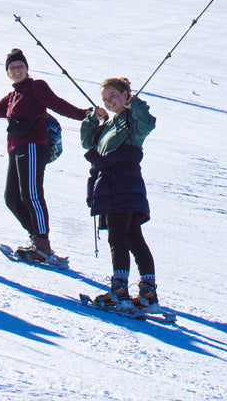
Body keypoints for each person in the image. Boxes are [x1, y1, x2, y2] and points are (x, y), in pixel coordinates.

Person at [0, 47, 88, 265]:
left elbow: (57, 104)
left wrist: (83, 114)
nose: (16, 70)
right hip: (16, 149)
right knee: (12, 198)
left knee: (31, 195)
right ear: (7, 72)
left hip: (34, 146)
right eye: (12, 67)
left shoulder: (36, 87)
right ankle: (37, 239)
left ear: (27, 68)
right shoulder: (13, 95)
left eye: (20, 66)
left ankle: (42, 244)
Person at [80, 77, 160, 312]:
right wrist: (94, 119)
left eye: (113, 96)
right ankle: (148, 293)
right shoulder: (110, 124)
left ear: (126, 94)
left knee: (118, 238)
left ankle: (119, 290)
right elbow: (88, 142)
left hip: (122, 183)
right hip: (112, 185)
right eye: (105, 99)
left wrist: (136, 105)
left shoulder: (132, 122)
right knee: (134, 238)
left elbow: (148, 124)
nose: (108, 101)